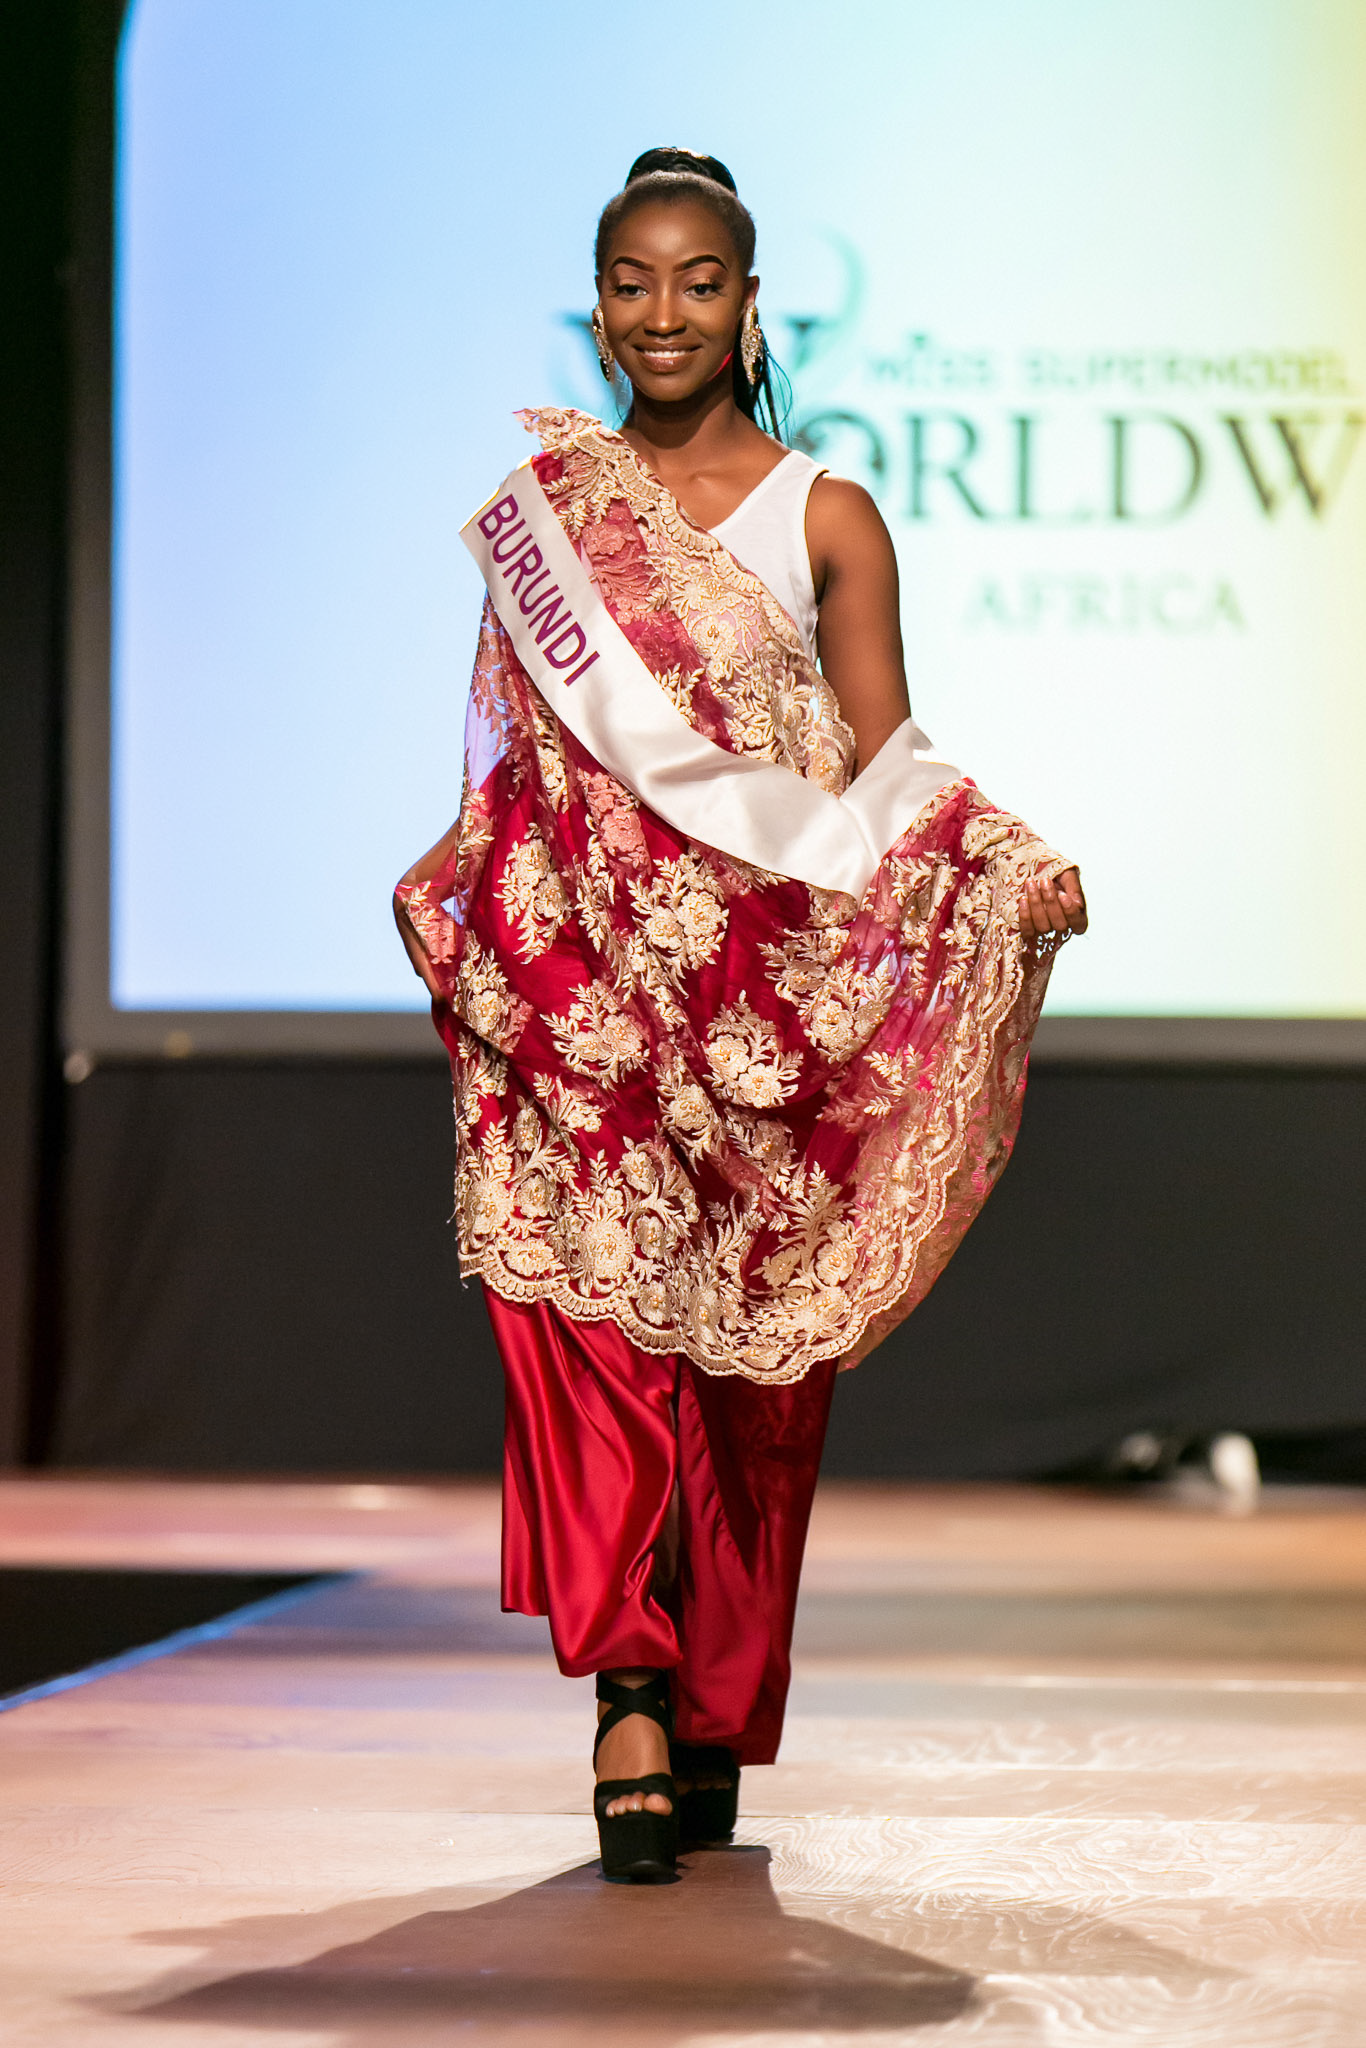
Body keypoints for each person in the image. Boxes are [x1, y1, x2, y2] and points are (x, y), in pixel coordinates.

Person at [396, 147, 1086, 1884]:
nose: (664, 314)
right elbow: (514, 756)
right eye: (632, 282)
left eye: (698, 282)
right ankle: (627, 1692)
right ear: (597, 304)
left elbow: (883, 763)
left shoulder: (823, 516)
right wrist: (472, 880)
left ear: (750, 304)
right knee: (588, 1340)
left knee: (741, 1385)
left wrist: (998, 858)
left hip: (757, 1017)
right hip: (579, 1001)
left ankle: (707, 1695)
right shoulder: (549, 516)